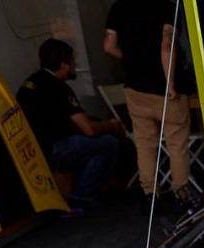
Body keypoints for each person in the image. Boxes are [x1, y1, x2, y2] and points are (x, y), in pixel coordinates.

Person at [17, 39, 125, 214]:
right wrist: (110, 125)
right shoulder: (59, 88)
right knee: (108, 144)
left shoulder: (30, 84)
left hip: (32, 152)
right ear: (63, 65)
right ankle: (82, 195)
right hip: (54, 149)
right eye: (73, 61)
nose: (75, 66)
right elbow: (89, 129)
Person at [104, 0, 192, 215]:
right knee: (176, 144)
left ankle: (151, 195)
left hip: (135, 88)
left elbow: (108, 46)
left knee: (144, 144)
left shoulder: (118, 7)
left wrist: (135, 60)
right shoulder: (169, 7)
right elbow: (166, 44)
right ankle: (181, 195)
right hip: (165, 90)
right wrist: (170, 83)